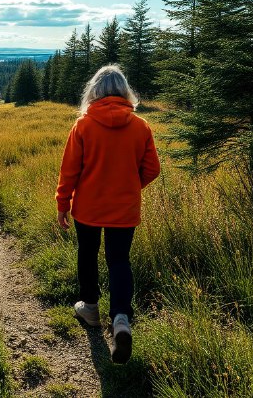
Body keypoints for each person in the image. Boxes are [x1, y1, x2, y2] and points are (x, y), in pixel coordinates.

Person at [55, 65, 160, 364]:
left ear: (94, 91)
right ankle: (121, 321)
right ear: (125, 91)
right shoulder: (141, 127)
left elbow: (69, 172)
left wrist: (63, 204)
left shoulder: (83, 126)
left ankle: (90, 308)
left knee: (87, 253)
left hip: (88, 208)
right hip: (124, 209)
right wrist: (128, 187)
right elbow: (152, 169)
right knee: (119, 261)